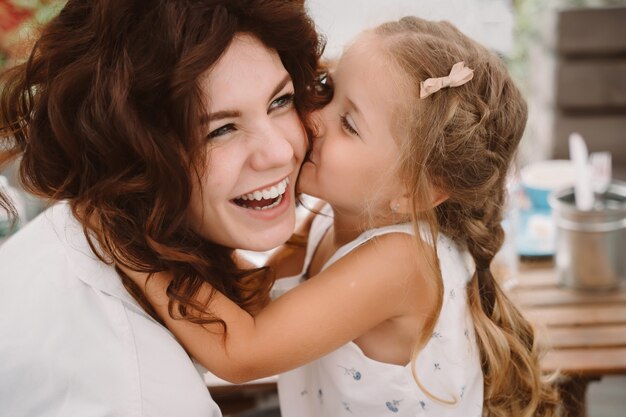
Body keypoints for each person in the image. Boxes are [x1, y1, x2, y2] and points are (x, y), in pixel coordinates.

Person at [123, 16, 561, 417]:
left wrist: (131, 240)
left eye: (349, 123)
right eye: (327, 87)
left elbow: (244, 353)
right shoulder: (329, 224)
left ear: (418, 191)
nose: (312, 118)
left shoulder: (402, 262)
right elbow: (249, 296)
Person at [0, 1, 325, 416]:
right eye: (220, 130)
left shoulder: (80, 229)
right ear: (130, 155)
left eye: (280, 101)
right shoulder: (143, 393)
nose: (280, 152)